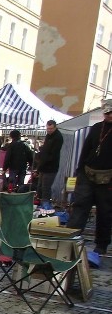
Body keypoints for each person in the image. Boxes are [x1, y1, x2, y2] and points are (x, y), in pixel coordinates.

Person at [68, 101, 112, 255]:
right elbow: (86, 149)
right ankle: (71, 239)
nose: (110, 115)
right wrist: (79, 171)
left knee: (105, 212)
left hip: (107, 178)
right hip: (87, 173)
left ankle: (101, 244)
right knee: (80, 206)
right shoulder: (96, 128)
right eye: (107, 113)